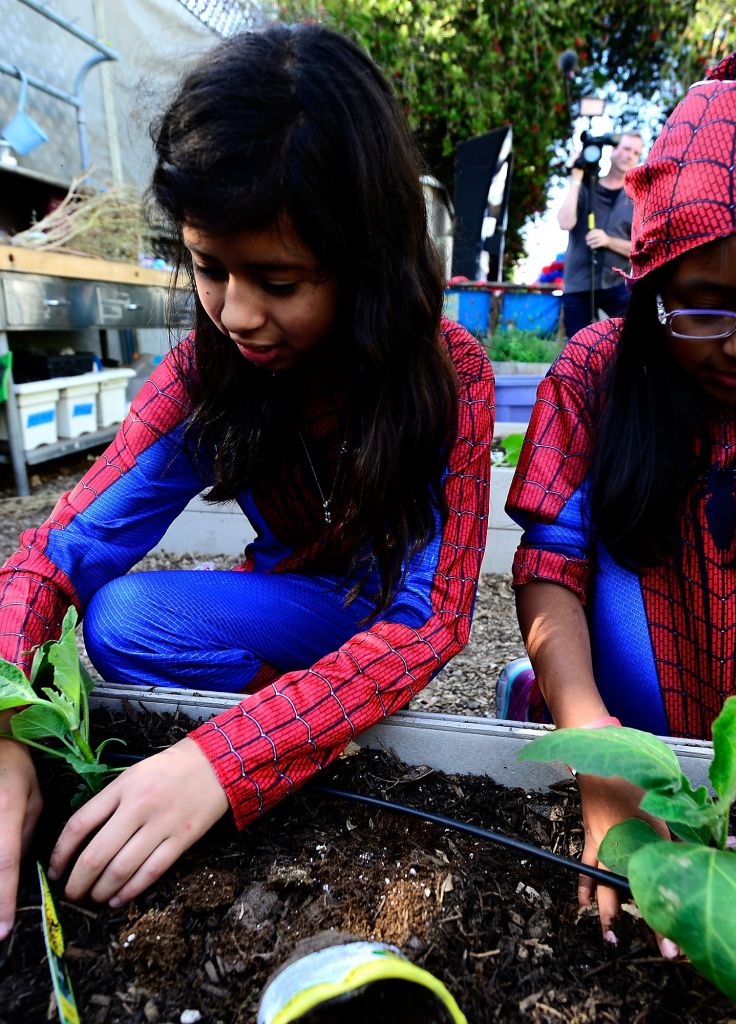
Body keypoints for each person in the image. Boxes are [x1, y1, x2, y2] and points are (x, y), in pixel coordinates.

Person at [0, 23, 494, 939]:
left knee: (368, 650)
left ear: (364, 260)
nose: (235, 312)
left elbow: (431, 621)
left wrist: (223, 760)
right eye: (208, 267)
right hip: (290, 609)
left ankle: (315, 712)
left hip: (379, 613)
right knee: (117, 619)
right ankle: (324, 709)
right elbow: (57, 550)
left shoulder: (446, 376)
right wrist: (5, 720)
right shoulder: (204, 380)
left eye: (277, 278)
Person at [504, 49, 736, 955]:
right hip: (607, 723)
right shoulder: (596, 375)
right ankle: (545, 704)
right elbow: (550, 568)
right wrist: (598, 754)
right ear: (652, 288)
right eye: (704, 306)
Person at [556, 132, 643, 337]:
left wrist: (609, 241)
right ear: (612, 151)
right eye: (626, 149)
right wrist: (575, 180)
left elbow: (641, 248)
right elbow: (565, 222)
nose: (629, 155)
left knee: (631, 339)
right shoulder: (587, 186)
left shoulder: (637, 199)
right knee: (576, 348)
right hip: (578, 283)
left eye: (636, 152)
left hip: (616, 282)